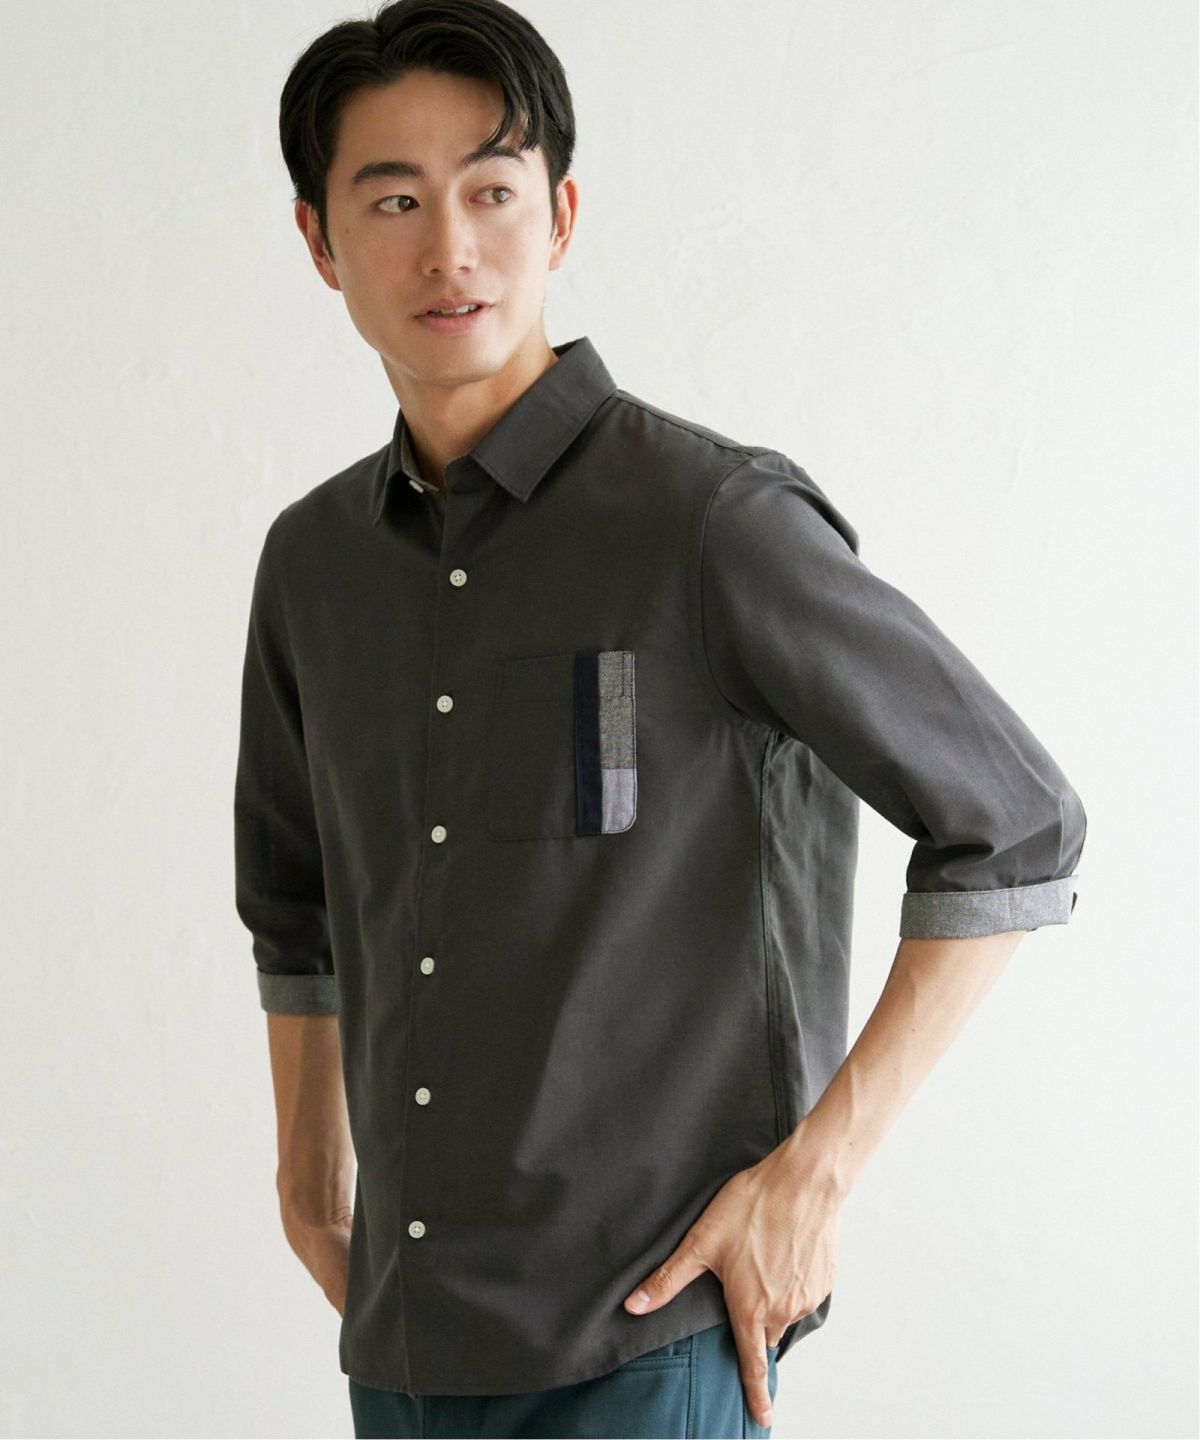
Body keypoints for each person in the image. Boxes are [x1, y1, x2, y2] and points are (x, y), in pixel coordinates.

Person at [234, 1, 1088, 1435]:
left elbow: (1014, 823)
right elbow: (294, 899)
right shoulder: (313, 563)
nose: (449, 250)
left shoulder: (708, 523)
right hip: (401, 1345)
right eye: (392, 200)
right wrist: (307, 1175)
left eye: (491, 192)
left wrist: (814, 1177)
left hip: (646, 1344)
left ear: (559, 216)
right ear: (321, 242)